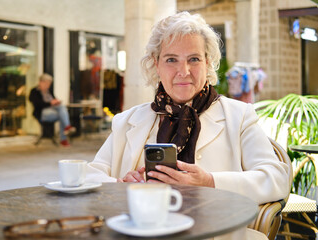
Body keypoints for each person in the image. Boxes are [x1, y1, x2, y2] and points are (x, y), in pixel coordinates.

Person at [86, 12, 289, 239]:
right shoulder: (127, 121)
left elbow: (277, 177)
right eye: (171, 59)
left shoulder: (239, 116)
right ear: (156, 64)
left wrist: (210, 182)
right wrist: (122, 186)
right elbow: (89, 176)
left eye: (194, 59)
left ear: (208, 62)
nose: (184, 71)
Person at [29, 73, 76, 147]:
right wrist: (50, 103)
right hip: (42, 113)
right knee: (62, 114)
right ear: (41, 82)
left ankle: (66, 130)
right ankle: (65, 133)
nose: (48, 86)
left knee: (62, 108)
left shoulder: (49, 91)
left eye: (49, 84)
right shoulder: (34, 91)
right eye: (47, 84)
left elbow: (54, 99)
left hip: (53, 110)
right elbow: (37, 104)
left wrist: (56, 102)